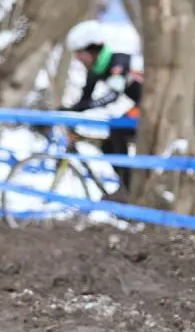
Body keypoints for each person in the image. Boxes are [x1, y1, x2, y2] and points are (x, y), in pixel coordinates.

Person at [61, 20, 142, 199]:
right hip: (139, 105)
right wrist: (64, 111)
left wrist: (82, 108)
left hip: (149, 105)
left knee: (117, 129)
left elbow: (112, 95)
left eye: (79, 53)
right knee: (107, 145)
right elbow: (84, 100)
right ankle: (126, 184)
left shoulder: (118, 61)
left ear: (92, 49)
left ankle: (130, 189)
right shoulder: (95, 69)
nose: (77, 59)